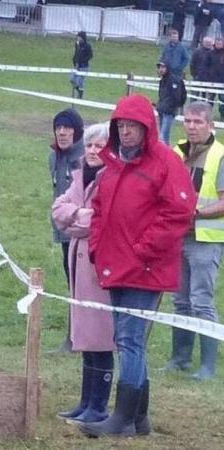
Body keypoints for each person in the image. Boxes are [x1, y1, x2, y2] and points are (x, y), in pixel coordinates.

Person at [80, 94, 196, 438]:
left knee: (130, 340)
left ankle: (123, 418)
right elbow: (100, 209)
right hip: (116, 265)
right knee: (128, 339)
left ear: (148, 129)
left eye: (133, 126)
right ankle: (138, 418)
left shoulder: (166, 163)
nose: (126, 132)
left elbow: (179, 212)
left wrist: (143, 251)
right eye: (121, 126)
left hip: (146, 269)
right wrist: (98, 248)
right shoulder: (114, 163)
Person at [52, 123, 115, 425]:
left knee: (100, 338)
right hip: (79, 260)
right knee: (86, 338)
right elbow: (58, 209)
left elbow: (101, 220)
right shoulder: (79, 175)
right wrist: (78, 215)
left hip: (100, 265)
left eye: (99, 146)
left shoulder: (113, 179)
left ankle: (99, 406)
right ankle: (85, 402)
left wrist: (74, 217)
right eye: (89, 145)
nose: (92, 151)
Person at [164, 101, 223, 380]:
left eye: (198, 122)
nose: (191, 126)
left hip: (206, 239)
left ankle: (208, 365)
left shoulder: (220, 156)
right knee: (180, 302)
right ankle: (180, 358)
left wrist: (195, 214)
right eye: (188, 121)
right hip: (178, 237)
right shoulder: (176, 153)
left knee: (202, 302)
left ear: (211, 126)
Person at [49, 108, 84, 354]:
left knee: (82, 286)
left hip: (85, 234)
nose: (62, 132)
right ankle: (74, 337)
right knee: (72, 284)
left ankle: (79, 339)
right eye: (58, 128)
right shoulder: (54, 157)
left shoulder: (87, 158)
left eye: (67, 128)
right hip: (65, 233)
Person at [156, 60, 186, 145]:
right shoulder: (162, 81)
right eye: (160, 67)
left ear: (167, 68)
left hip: (169, 112)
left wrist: (171, 106)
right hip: (162, 111)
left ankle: (166, 155)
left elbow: (177, 97)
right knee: (163, 137)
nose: (161, 69)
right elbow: (161, 96)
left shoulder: (174, 80)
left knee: (163, 137)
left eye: (163, 67)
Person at [70, 31, 93, 99]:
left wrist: (83, 60)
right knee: (72, 79)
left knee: (80, 81)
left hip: (84, 67)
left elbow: (90, 56)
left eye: (79, 37)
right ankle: (78, 90)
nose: (78, 38)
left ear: (83, 38)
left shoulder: (87, 46)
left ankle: (80, 95)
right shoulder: (77, 44)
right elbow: (76, 53)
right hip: (77, 66)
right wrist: (74, 61)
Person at [208, 37, 224, 117]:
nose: (218, 45)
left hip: (222, 81)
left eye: (220, 43)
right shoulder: (210, 53)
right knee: (210, 99)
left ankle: (222, 115)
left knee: (222, 99)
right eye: (217, 43)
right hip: (212, 81)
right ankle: (209, 114)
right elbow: (206, 65)